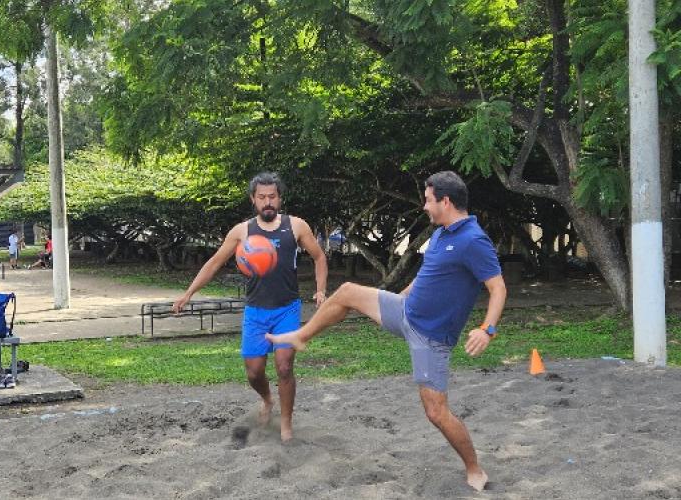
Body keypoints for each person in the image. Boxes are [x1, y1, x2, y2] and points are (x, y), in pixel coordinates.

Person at [266, 171, 506, 491]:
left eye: (428, 200)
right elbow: (427, 275)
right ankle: (301, 335)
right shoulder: (441, 234)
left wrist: (487, 329)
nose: (424, 206)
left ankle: (474, 469)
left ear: (445, 201)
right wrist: (401, 297)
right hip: (405, 312)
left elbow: (498, 287)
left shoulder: (472, 240)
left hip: (430, 338)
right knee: (349, 291)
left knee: (436, 412)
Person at [173, 172, 328, 442]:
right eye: (262, 197)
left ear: (279, 199)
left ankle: (286, 425)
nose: (267, 202)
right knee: (254, 372)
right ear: (253, 200)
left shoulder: (296, 226)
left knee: (284, 367)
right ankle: (268, 400)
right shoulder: (242, 231)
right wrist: (189, 293)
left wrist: (320, 289)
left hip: (287, 309)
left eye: (272, 197)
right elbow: (214, 263)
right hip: (256, 311)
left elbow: (319, 256)